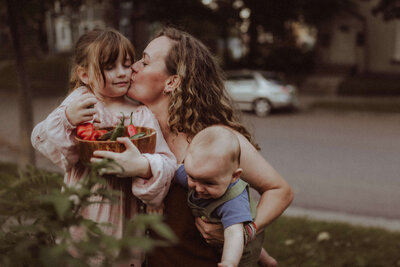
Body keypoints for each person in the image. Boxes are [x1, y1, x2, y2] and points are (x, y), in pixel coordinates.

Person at [93, 27, 293, 267]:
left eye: (144, 62)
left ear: (172, 81)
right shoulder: (135, 130)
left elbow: (280, 190)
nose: (133, 66)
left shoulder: (214, 140)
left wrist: (244, 231)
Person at [31, 28, 176, 266]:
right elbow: (41, 138)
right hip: (85, 207)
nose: (121, 73)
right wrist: (67, 118)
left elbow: (167, 161)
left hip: (124, 214)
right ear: (85, 75)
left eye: (127, 64)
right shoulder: (82, 103)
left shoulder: (141, 114)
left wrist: (142, 166)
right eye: (110, 67)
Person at [175, 125, 264, 267]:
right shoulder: (195, 174)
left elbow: (234, 234)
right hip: (223, 231)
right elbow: (170, 171)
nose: (198, 188)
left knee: (248, 249)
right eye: (192, 178)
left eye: (209, 183)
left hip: (241, 248)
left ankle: (262, 258)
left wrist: (229, 262)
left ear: (234, 176)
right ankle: (266, 259)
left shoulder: (233, 201)